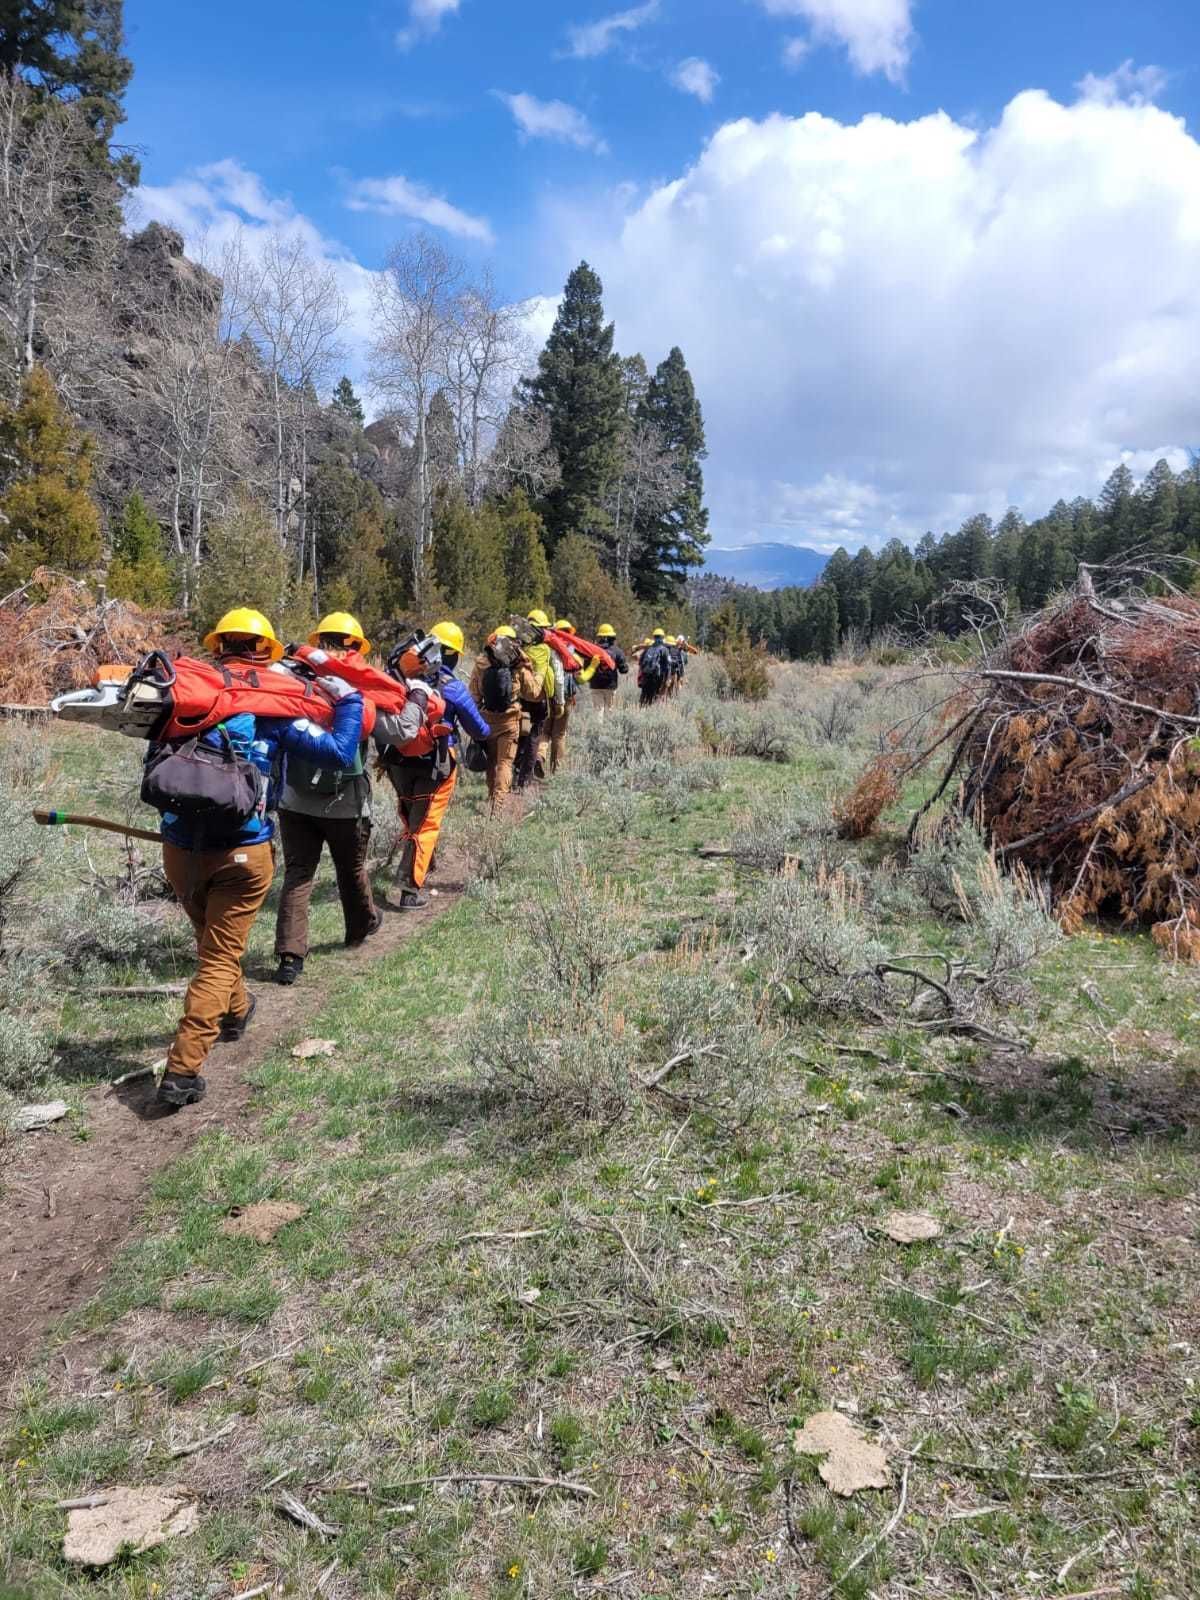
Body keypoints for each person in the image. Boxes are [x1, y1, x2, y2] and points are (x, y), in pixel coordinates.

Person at [149, 607, 366, 1109]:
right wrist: (350, 698)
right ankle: (183, 1069)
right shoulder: (271, 705)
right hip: (243, 852)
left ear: (217, 645)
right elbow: (338, 751)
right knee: (219, 955)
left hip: (178, 849)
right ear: (265, 651)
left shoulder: (186, 698)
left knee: (213, 942)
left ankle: (238, 1007)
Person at [273, 612, 381, 988]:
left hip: (294, 799)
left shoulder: (291, 679)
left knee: (298, 874)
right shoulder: (360, 689)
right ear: (355, 646)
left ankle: (290, 956)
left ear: (318, 642)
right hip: (344, 800)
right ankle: (358, 929)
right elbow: (378, 729)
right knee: (350, 868)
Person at [378, 623, 489, 910]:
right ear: (450, 655)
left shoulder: (401, 680)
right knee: (425, 824)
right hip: (436, 762)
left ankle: (423, 862)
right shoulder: (451, 687)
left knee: (411, 815)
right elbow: (479, 729)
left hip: (398, 760)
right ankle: (409, 890)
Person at [469, 626, 542, 811]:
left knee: (491, 762)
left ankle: (491, 796)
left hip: (486, 721)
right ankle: (499, 805)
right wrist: (537, 674)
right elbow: (534, 693)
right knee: (505, 763)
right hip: (510, 722)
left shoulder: (481, 664)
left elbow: (474, 696)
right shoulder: (518, 666)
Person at [515, 609, 559, 787]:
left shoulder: (520, 648)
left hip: (521, 698)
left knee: (520, 735)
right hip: (539, 699)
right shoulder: (545, 649)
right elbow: (556, 675)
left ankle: (515, 771)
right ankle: (525, 780)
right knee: (534, 738)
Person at [545, 618, 582, 774]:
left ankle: (538, 759)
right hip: (565, 698)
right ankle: (556, 770)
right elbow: (578, 676)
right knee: (559, 734)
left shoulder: (548, 647)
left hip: (547, 697)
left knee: (545, 732)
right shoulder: (572, 650)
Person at [579, 624, 628, 721]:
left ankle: (598, 732)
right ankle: (608, 732)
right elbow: (624, 670)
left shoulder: (592, 650)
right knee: (609, 711)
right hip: (611, 686)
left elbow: (586, 669)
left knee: (598, 711)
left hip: (595, 686)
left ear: (600, 637)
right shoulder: (617, 651)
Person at [638, 628, 672, 707]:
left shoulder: (648, 649)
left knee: (644, 695)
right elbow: (668, 665)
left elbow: (641, 662)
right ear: (662, 637)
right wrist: (668, 679)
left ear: (654, 637)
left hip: (646, 676)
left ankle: (642, 710)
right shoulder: (664, 650)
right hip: (657, 678)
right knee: (655, 696)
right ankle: (652, 712)